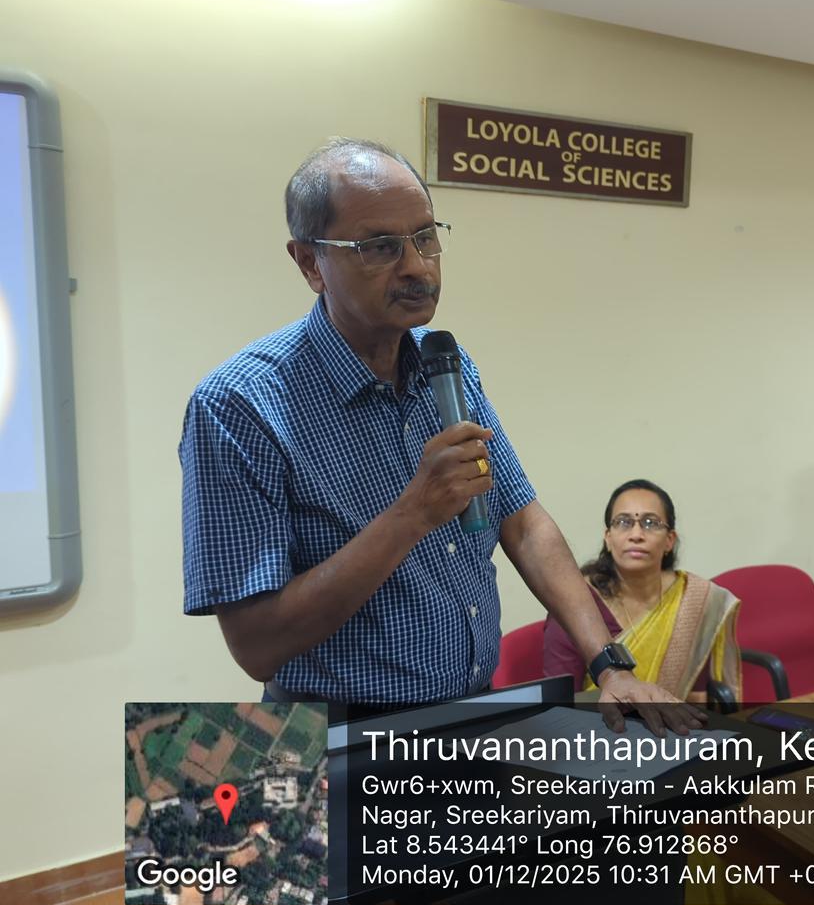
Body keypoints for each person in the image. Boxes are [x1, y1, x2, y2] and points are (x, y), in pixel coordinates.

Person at [179, 137, 698, 738]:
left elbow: (522, 523)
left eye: (426, 237)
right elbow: (256, 645)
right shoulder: (239, 405)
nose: (417, 267)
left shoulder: (444, 363)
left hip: (473, 711)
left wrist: (608, 663)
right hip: (339, 735)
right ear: (309, 263)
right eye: (379, 246)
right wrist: (412, 514)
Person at [543, 480, 742, 703]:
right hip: (598, 721)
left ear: (669, 540)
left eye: (650, 523)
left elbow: (702, 695)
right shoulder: (575, 602)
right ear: (608, 538)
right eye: (623, 522)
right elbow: (562, 700)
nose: (636, 534)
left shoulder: (694, 598)